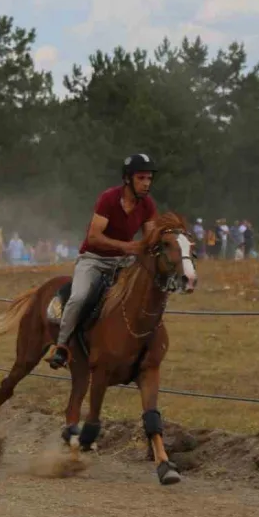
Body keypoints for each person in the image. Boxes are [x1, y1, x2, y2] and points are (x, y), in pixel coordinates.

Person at [48, 153, 159, 369]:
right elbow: (94, 237)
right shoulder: (108, 198)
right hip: (93, 259)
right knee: (79, 297)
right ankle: (61, 346)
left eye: (149, 179)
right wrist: (127, 247)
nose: (147, 183)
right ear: (128, 179)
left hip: (124, 263)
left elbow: (149, 238)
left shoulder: (147, 205)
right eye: (141, 178)